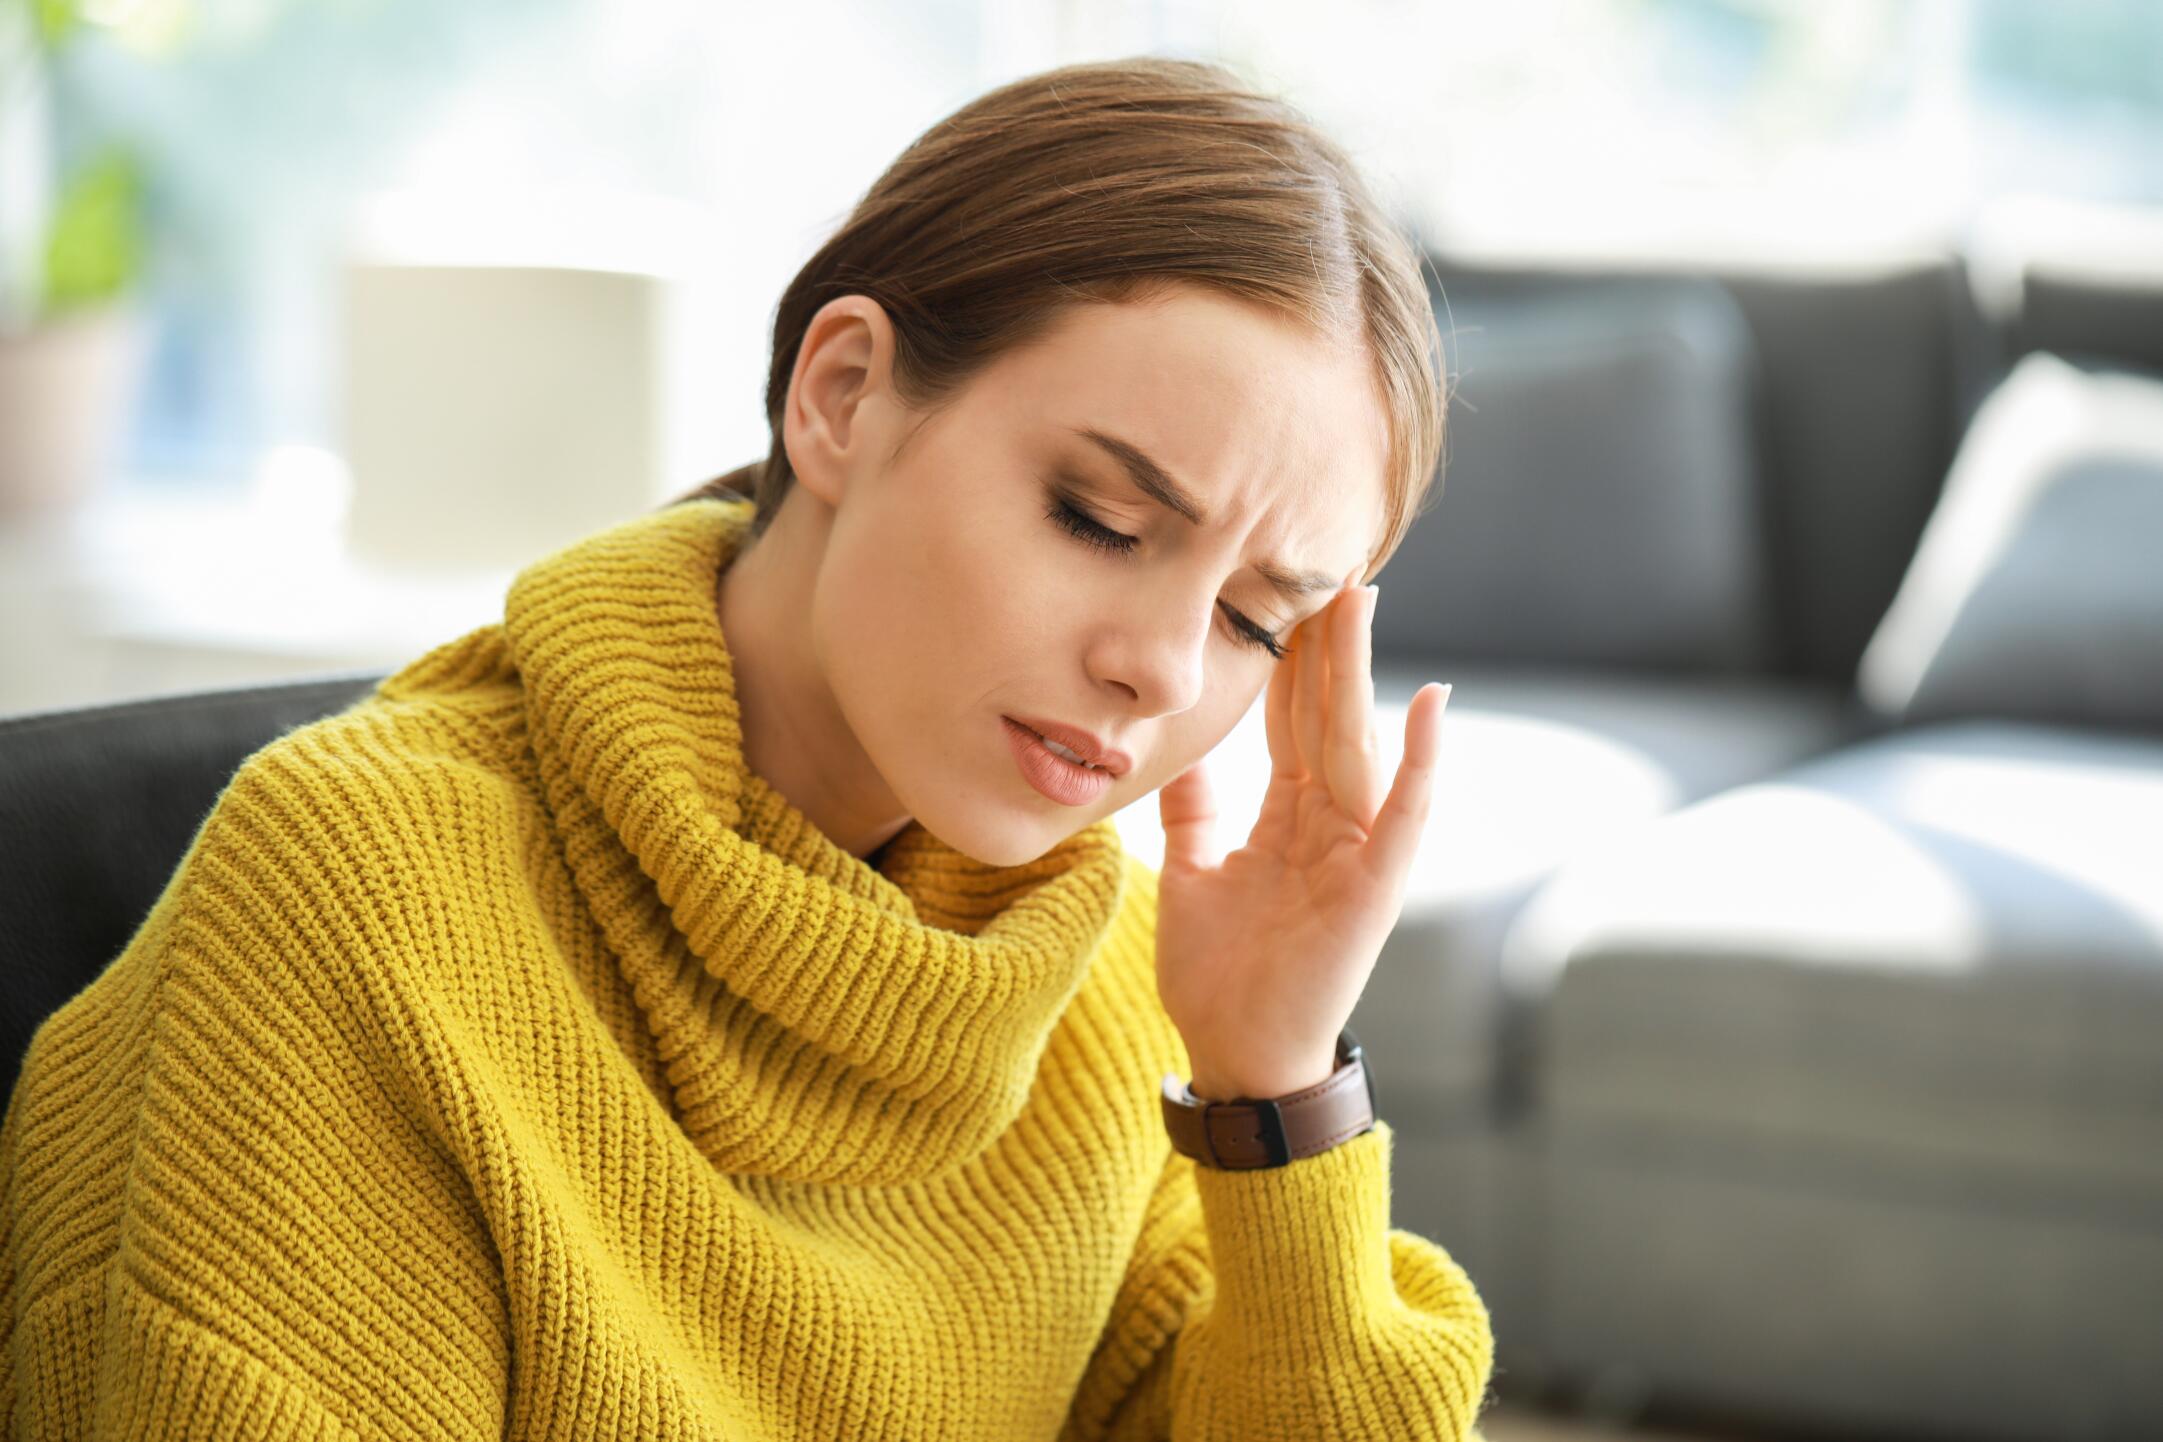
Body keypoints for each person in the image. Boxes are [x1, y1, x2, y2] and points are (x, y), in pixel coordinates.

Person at [0, 56, 1489, 1439]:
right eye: (1097, 520)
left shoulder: (1090, 984)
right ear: (842, 395)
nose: (1159, 665)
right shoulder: (367, 897)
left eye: (1250, 618)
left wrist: (1274, 1086)